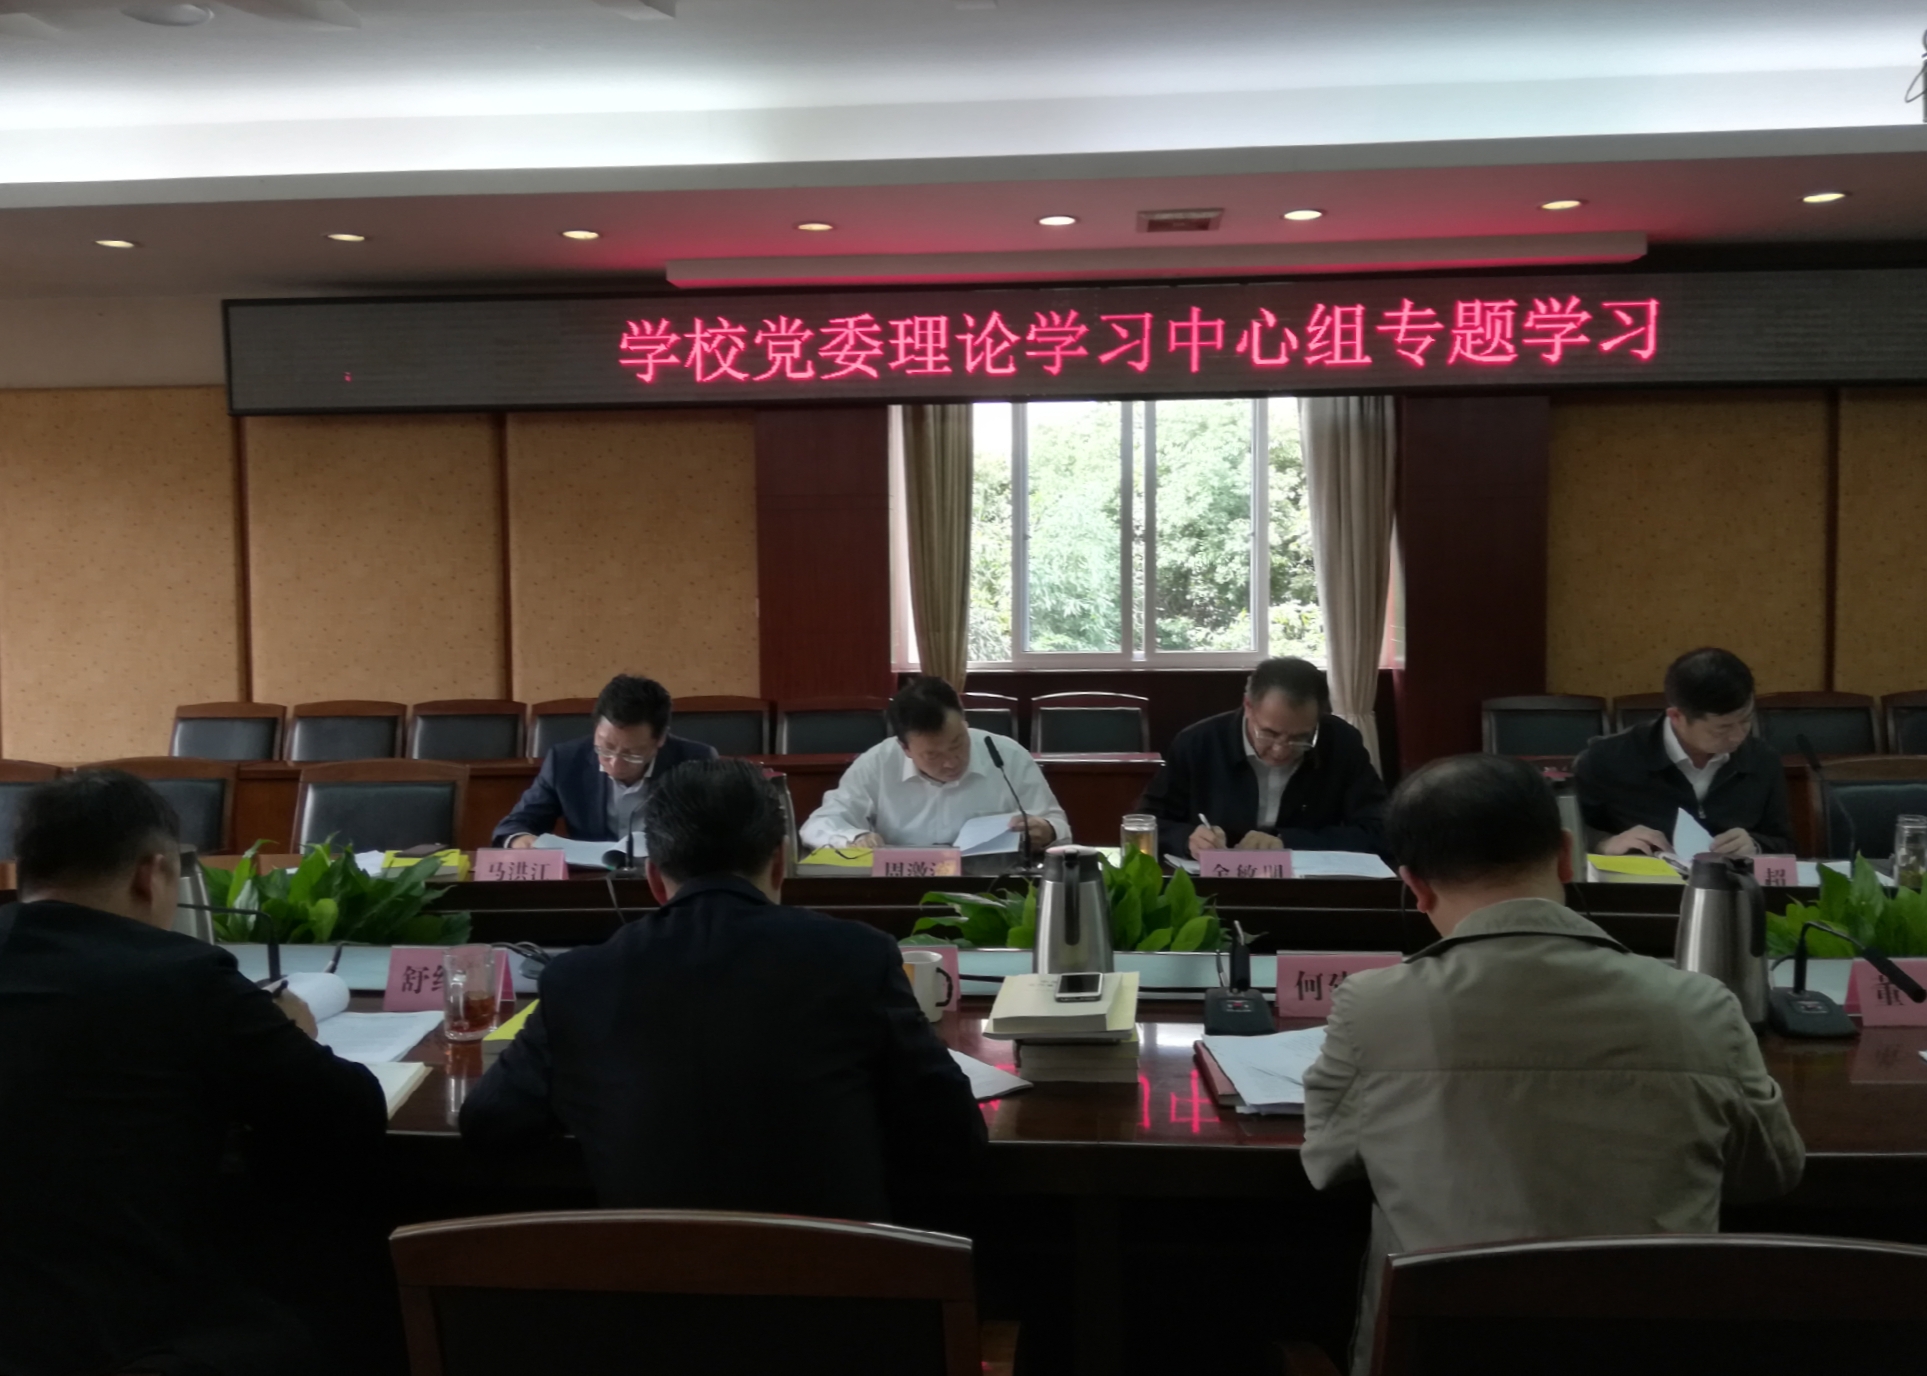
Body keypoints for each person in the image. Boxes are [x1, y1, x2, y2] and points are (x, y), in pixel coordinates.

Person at [1301, 754, 1804, 1372]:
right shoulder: (1702, 1005)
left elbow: (1327, 1164)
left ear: (1416, 886)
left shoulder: (1372, 1008)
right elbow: (1770, 1172)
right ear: (1567, 855)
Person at [462, 757, 986, 1221]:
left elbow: (489, 1122)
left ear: (654, 877)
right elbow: (954, 1133)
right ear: (779, 862)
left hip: (650, 1292)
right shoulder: (858, 956)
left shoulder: (578, 980)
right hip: (835, 1290)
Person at [0, 771, 388, 1376]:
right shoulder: (180, 973)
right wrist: (291, 1036)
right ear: (152, 873)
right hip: (116, 1331)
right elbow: (350, 1111)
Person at [1136, 656, 1386, 860]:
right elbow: (1145, 822)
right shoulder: (1198, 743)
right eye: (1269, 733)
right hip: (1216, 887)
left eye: (1300, 737)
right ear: (1248, 706)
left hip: (1309, 890)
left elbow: (1381, 831)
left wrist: (1288, 842)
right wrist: (1186, 839)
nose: (1280, 750)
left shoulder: (1341, 743)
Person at [798, 675, 1069, 851]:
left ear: (965, 722)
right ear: (905, 748)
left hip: (991, 889)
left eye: (957, 743)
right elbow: (819, 824)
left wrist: (1047, 830)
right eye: (933, 755)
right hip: (901, 891)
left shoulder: (1007, 755)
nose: (951, 762)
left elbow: (1058, 824)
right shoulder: (877, 763)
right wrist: (854, 837)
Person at [1574, 647, 1792, 858]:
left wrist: (1756, 846)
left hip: (1734, 880)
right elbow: (1567, 831)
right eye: (1722, 729)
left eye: (1745, 721)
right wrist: (1605, 843)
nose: (1738, 736)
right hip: (1643, 879)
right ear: (1676, 717)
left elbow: (1785, 843)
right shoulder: (1607, 759)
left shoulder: (1762, 760)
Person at [494, 673, 717, 847]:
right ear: (595, 729)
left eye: (632, 753)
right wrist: (519, 839)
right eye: (606, 749)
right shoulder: (565, 761)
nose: (615, 763)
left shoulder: (696, 762)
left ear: (660, 739)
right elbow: (517, 823)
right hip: (592, 882)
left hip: (668, 881)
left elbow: (721, 834)